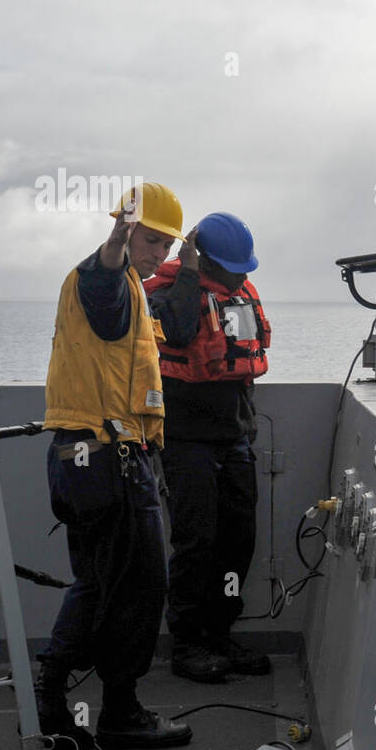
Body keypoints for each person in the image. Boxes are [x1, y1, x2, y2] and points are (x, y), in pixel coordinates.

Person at [36, 182, 193, 750]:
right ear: (127, 232)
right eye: (152, 239)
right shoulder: (103, 278)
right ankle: (120, 713)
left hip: (90, 458)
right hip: (111, 460)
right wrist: (116, 241)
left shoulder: (134, 288)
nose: (160, 253)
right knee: (140, 588)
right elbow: (104, 281)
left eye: (167, 244)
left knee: (100, 583)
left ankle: (51, 696)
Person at [144, 212, 272, 682]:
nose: (243, 275)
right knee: (195, 542)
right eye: (234, 267)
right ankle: (187, 644)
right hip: (186, 440)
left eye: (245, 268)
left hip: (233, 437)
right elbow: (175, 332)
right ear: (205, 260)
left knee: (238, 542)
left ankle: (220, 633)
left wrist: (246, 425)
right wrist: (189, 268)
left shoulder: (236, 295)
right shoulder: (165, 295)